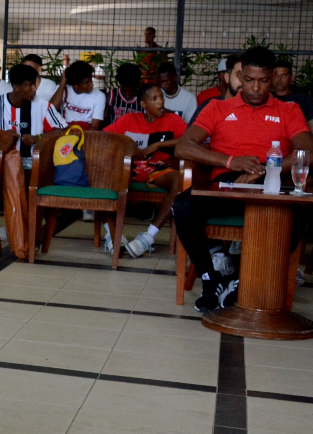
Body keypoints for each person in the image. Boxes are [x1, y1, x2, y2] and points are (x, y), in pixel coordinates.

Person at [173, 47, 313, 313]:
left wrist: (267, 169)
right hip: (226, 184)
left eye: (263, 81)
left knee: (298, 214)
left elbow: (307, 151)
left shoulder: (289, 110)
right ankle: (209, 277)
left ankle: (244, 279)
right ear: (238, 76)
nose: (256, 88)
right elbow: (184, 147)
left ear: (272, 79)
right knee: (182, 205)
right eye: (249, 80)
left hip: (271, 184)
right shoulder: (217, 107)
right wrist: (229, 161)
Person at [103, 84, 187, 258]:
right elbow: (104, 138)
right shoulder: (128, 120)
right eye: (154, 99)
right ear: (143, 104)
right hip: (130, 168)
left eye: (161, 97)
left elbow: (190, 141)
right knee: (105, 176)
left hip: (157, 168)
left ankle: (149, 236)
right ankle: (111, 234)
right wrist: (129, 148)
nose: (161, 102)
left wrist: (158, 145)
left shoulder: (173, 120)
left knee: (179, 181)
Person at [0, 64, 66, 170]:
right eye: (29, 86)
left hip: (34, 163)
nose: (34, 89)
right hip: (1, 162)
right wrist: (3, 136)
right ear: (16, 88)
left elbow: (64, 130)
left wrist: (38, 137)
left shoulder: (43, 105)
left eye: (35, 85)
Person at [53, 60, 106, 129]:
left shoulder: (99, 96)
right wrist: (63, 82)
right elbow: (52, 109)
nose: (92, 85)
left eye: (91, 81)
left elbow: (95, 127)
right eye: (87, 82)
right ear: (75, 85)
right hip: (66, 129)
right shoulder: (63, 90)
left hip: (86, 132)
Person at [271, 59, 313, 127]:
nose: (279, 78)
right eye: (276, 75)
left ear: (291, 78)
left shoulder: (302, 99)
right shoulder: (266, 98)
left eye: (284, 75)